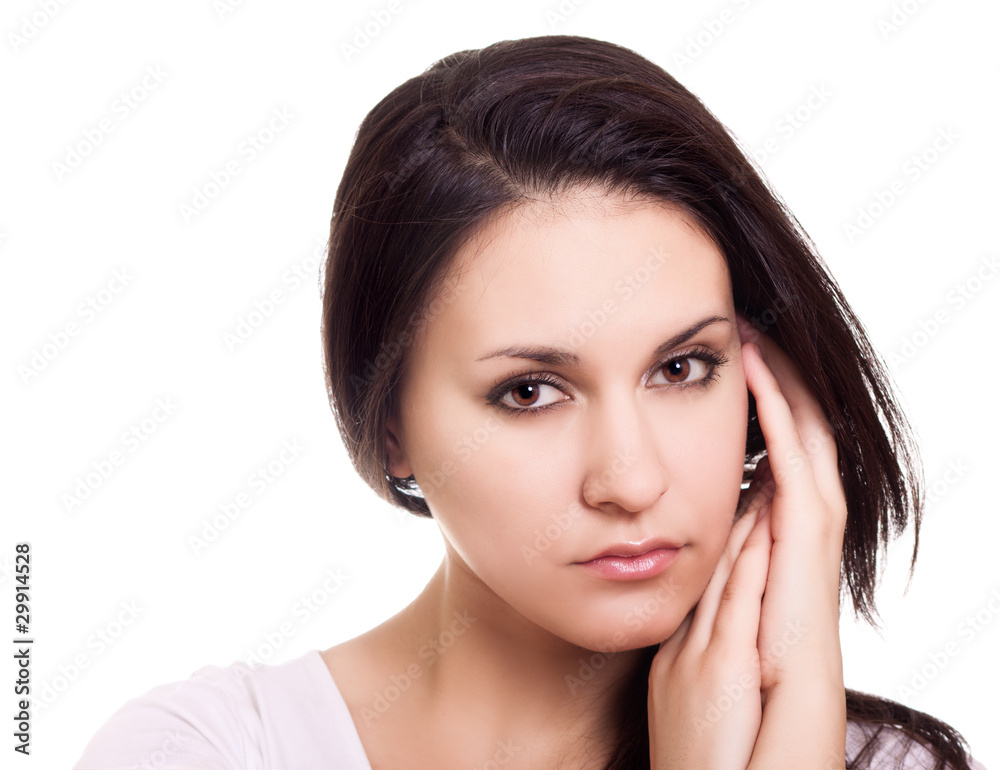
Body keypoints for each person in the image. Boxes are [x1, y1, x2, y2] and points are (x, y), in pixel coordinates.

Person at [74, 34, 987, 769]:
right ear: (390, 427)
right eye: (530, 390)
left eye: (681, 369)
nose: (629, 481)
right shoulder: (208, 751)